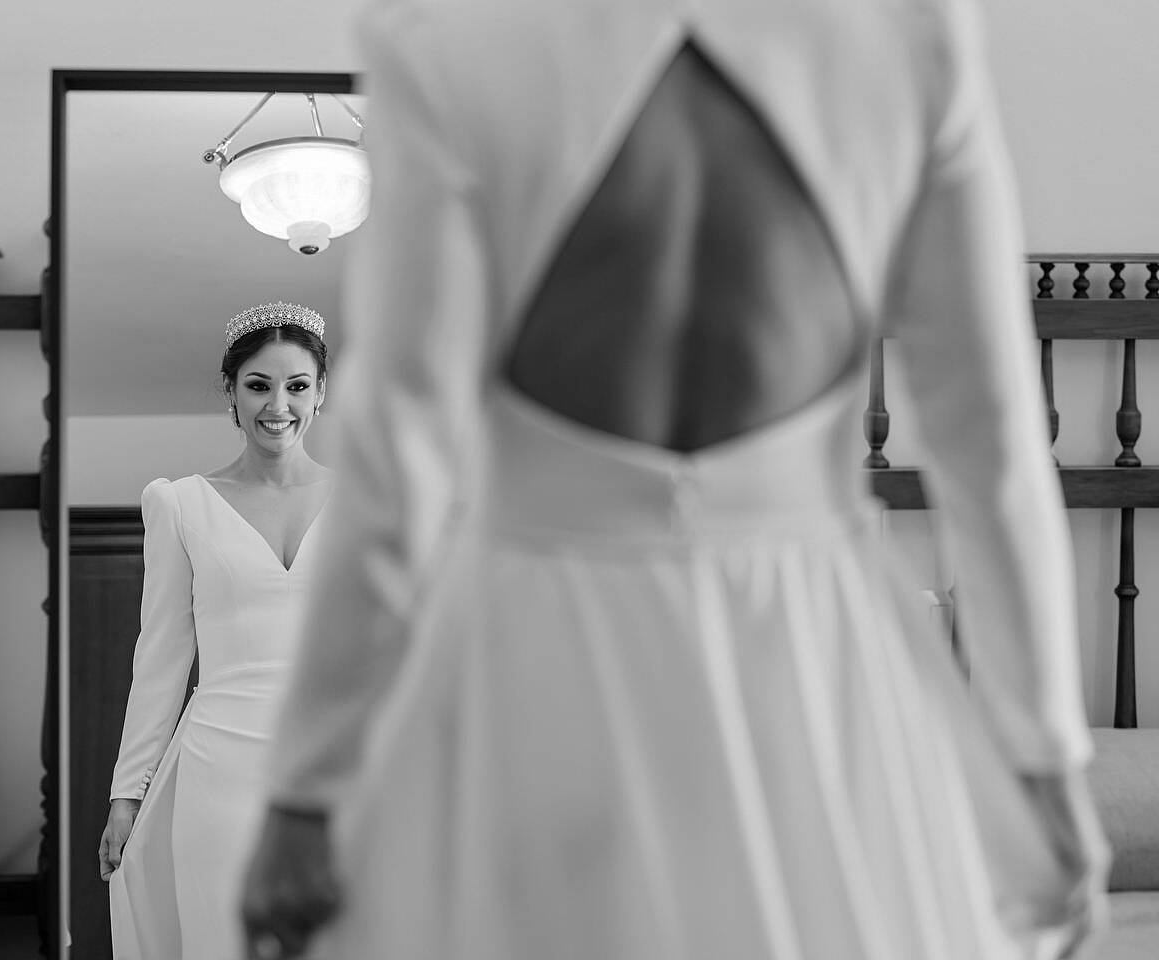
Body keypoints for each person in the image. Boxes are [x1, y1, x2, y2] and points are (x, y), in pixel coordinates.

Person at [241, 1, 1111, 959]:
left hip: (540, 645)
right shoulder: (912, 34)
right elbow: (990, 441)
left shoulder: (450, 45)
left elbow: (396, 465)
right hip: (806, 648)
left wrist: (306, 789)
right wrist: (1047, 764)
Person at [99, 302, 334, 959]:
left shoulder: (362, 501)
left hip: (330, 762)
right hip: (219, 765)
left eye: (297, 386)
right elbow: (161, 659)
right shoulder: (181, 505)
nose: (278, 406)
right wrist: (126, 794)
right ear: (231, 391)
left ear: (320, 393)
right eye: (258, 385)